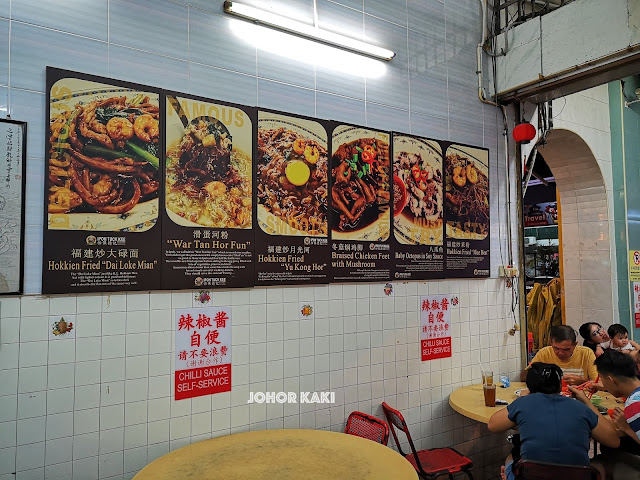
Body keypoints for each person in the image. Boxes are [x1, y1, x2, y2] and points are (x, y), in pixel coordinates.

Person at [489, 362, 619, 480]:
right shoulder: (580, 408)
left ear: (530, 387)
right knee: (600, 465)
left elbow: (493, 425)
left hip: (531, 474)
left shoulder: (523, 403)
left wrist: (522, 400)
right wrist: (585, 401)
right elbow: (613, 441)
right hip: (576, 475)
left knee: (510, 460)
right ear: (559, 386)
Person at [591, 350, 640, 479]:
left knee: (600, 459)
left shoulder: (634, 405)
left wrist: (627, 428)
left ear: (610, 380)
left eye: (602, 379)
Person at [521, 325, 598, 385]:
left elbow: (598, 382)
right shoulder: (544, 353)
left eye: (566, 349)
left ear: (575, 345)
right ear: (551, 342)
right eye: (556, 348)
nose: (560, 353)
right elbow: (523, 377)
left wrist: (583, 381)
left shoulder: (586, 353)